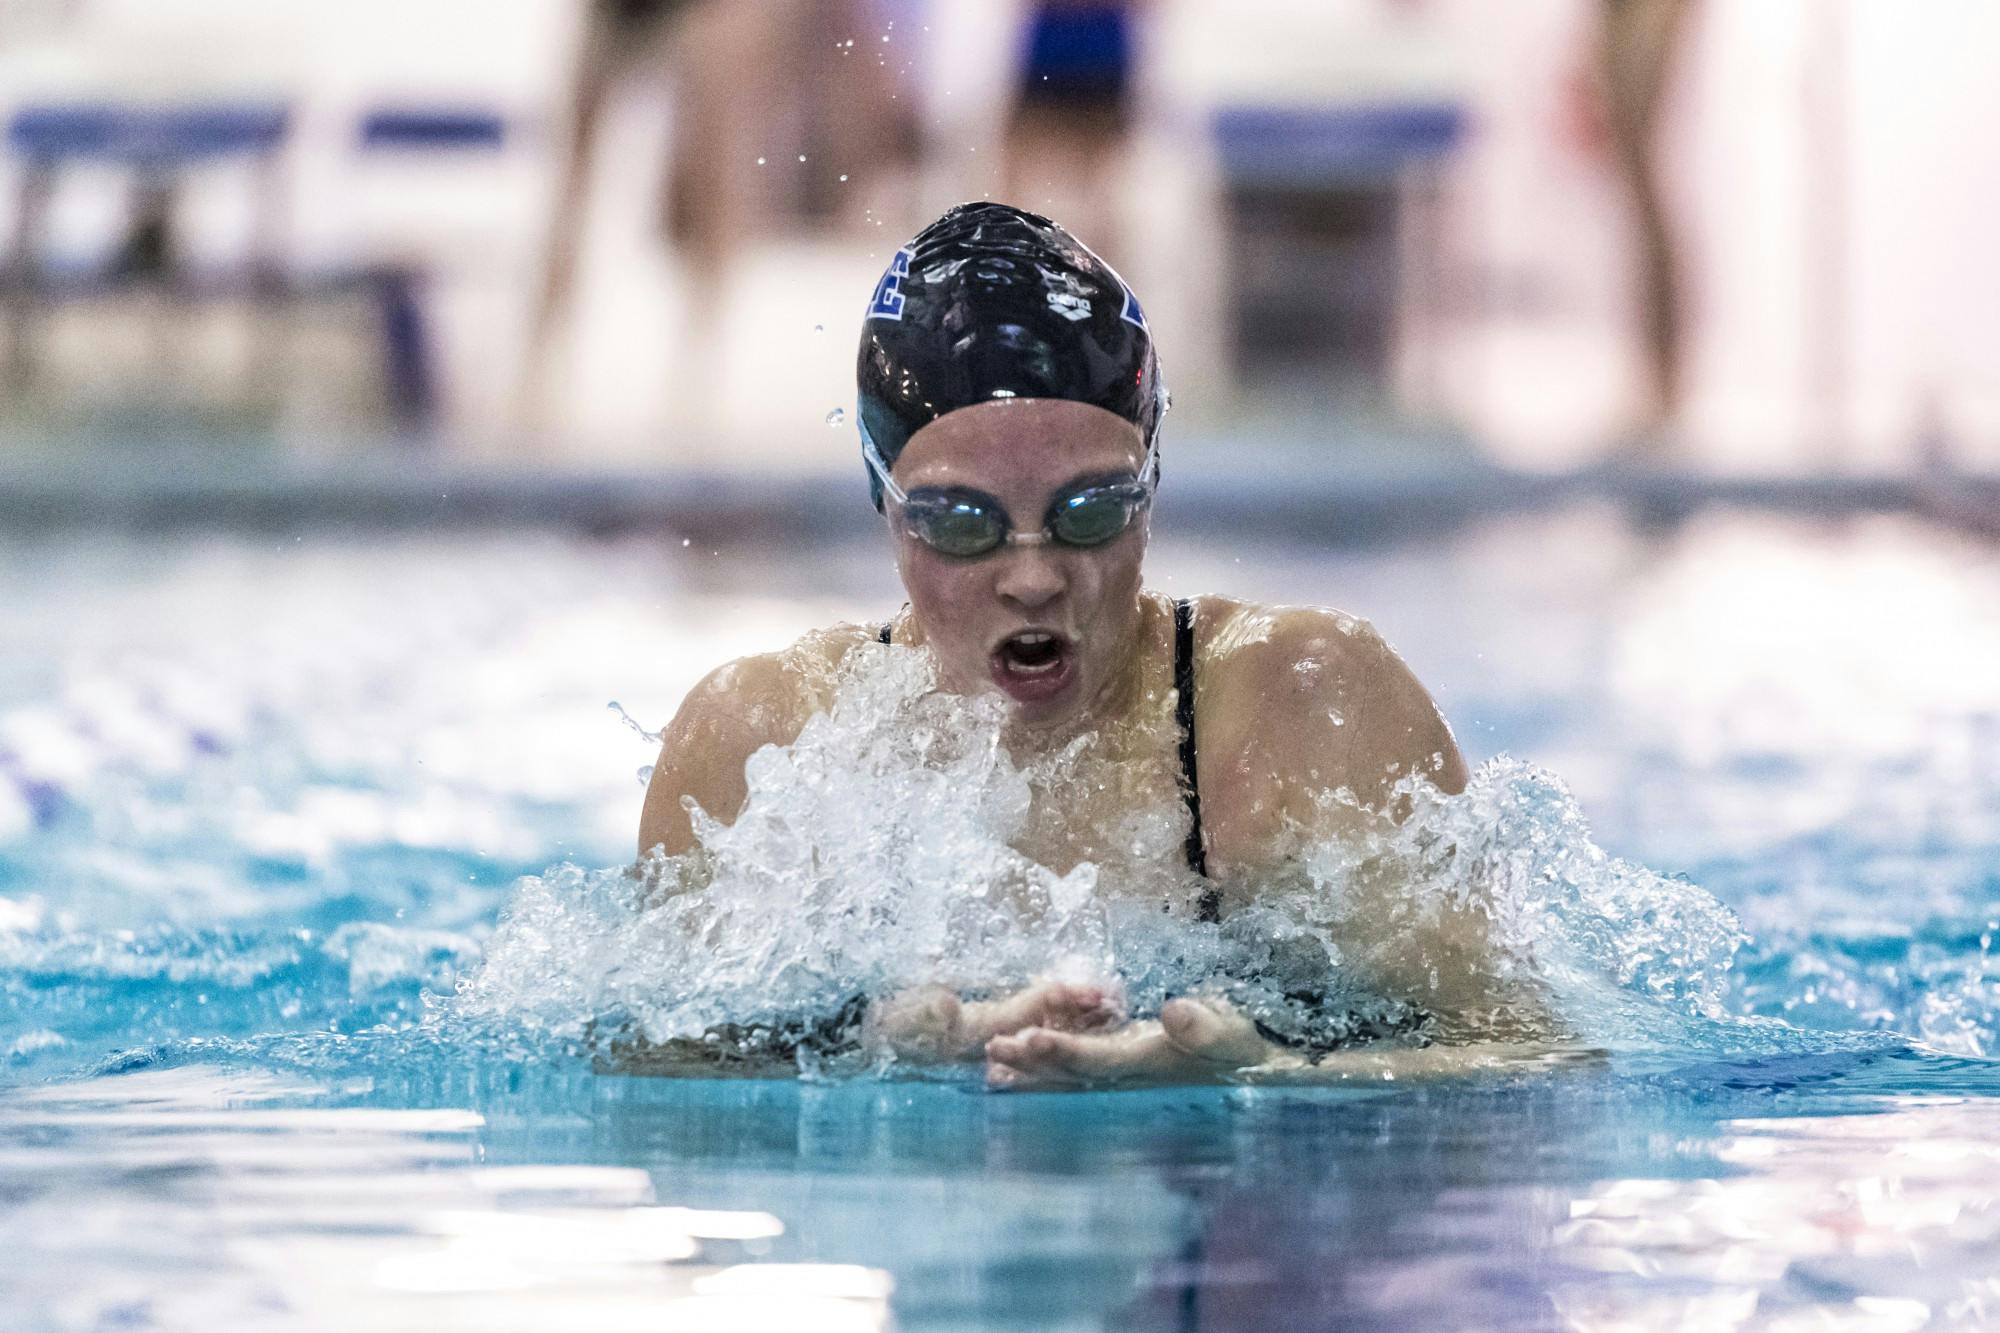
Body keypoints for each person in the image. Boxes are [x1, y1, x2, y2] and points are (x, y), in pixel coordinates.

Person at [640, 201, 1526, 1089]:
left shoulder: (1305, 705)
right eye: (960, 521)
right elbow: (652, 1087)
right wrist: (871, 1053)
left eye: (1089, 510)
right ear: (885, 505)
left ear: (1150, 486)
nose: (1033, 576)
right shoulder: (762, 744)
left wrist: (1272, 1077)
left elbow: (1531, 1059)